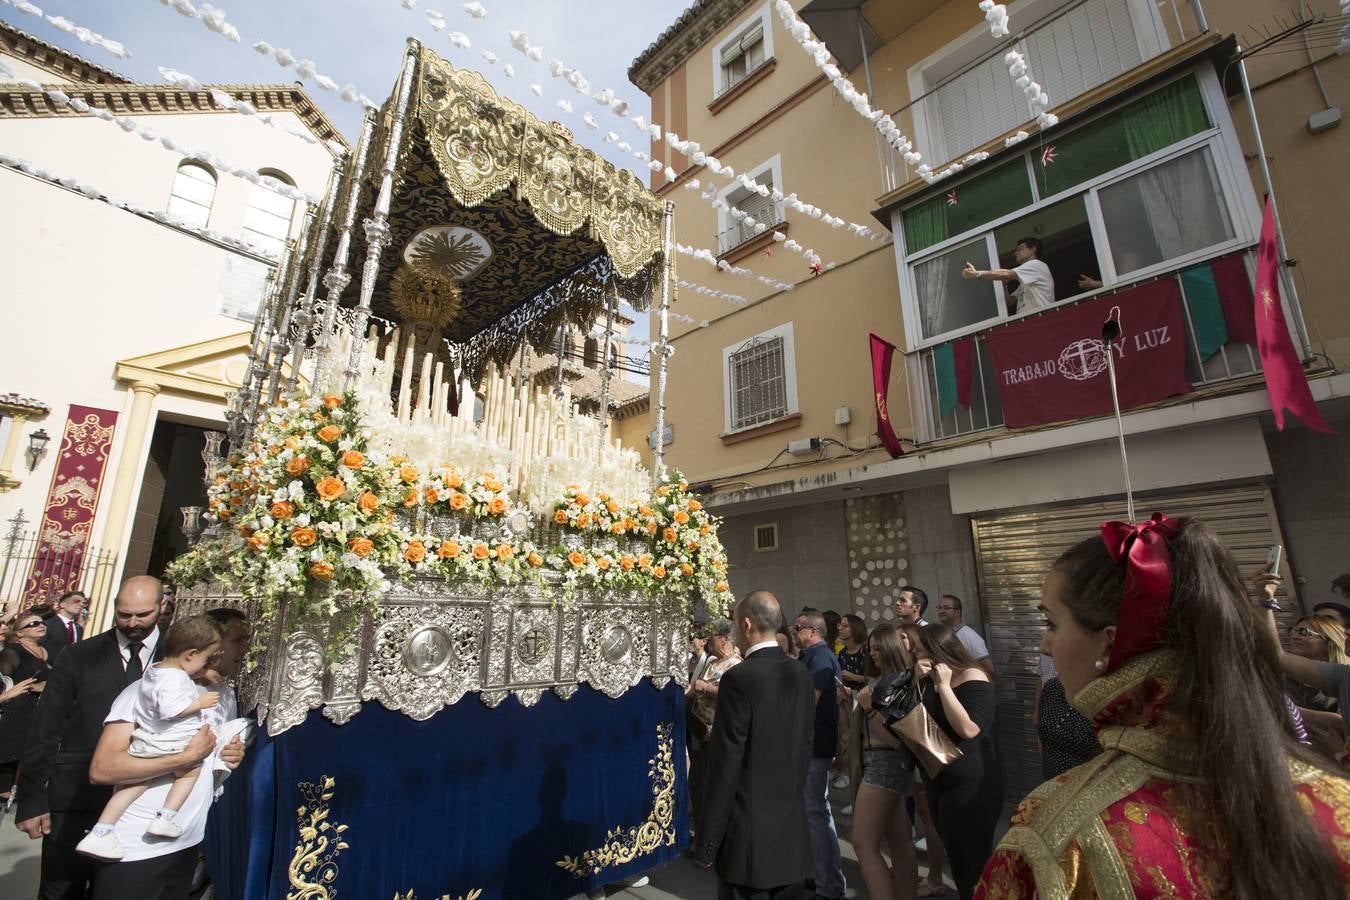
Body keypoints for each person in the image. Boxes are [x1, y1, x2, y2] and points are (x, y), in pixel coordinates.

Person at [977, 516, 1349, 898]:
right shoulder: (1336, 803)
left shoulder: (1056, 835)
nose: (1044, 646)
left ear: (1109, 643)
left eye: (1051, 623)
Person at [16, 576, 169, 899]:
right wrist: (32, 799)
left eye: (143, 615)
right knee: (61, 890)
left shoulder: (179, 656)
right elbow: (46, 728)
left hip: (148, 802)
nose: (133, 623)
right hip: (76, 799)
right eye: (124, 615)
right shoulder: (79, 656)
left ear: (162, 607)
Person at [696, 590, 815, 900]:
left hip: (747, 838)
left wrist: (708, 843)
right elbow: (804, 746)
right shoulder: (800, 672)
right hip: (791, 834)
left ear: (746, 625)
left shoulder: (739, 678)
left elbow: (725, 765)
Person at [76, 616, 223, 860]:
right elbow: (170, 709)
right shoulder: (175, 678)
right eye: (206, 659)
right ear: (191, 654)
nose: (206, 665)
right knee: (189, 772)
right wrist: (199, 702)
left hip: (149, 739)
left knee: (134, 784)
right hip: (169, 742)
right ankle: (166, 816)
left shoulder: (156, 671)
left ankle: (102, 830)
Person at [911, 626, 1000, 900]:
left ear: (937, 649)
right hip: (938, 777)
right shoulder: (928, 678)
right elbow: (919, 721)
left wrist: (943, 687)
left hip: (970, 783)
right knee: (957, 857)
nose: (914, 653)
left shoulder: (973, 676)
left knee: (970, 865)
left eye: (919, 649)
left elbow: (969, 729)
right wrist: (918, 682)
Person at [851, 624, 919, 900]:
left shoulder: (900, 682)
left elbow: (896, 737)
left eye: (878, 648)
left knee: (863, 844)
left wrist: (868, 709)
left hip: (884, 763)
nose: (873, 653)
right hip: (881, 762)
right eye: (871, 648)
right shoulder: (890, 679)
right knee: (900, 841)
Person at [794, 611, 848, 899]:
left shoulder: (819, 658)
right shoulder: (813, 657)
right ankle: (819, 874)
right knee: (812, 810)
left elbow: (807, 701)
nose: (794, 631)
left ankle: (830, 883)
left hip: (816, 744)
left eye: (798, 628)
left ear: (812, 632)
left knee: (816, 811)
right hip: (814, 743)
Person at [896, 623, 946, 898]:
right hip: (910, 752)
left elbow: (919, 708)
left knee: (928, 815)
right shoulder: (907, 669)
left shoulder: (927, 670)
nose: (900, 641)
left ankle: (936, 877)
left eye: (903, 637)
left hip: (927, 752)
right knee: (914, 811)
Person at [688, 618, 742, 821]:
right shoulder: (712, 661)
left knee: (711, 782)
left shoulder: (735, 664)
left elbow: (733, 694)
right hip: (700, 729)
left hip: (717, 731)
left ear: (725, 639)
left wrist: (706, 688)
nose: (709, 641)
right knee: (698, 780)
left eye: (713, 637)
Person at [0, 612, 51, 804]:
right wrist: (11, 693)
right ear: (19, 633)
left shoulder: (46, 651)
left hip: (35, 712)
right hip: (13, 712)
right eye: (33, 624)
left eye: (42, 622)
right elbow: (4, 682)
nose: (40, 625)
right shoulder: (12, 652)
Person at [962, 237, 1054, 314]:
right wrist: (1005, 285)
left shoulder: (1036, 265)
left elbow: (1006, 274)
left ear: (1033, 249)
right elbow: (1009, 301)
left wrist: (977, 274)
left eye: (1020, 249)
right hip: (1030, 321)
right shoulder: (1026, 282)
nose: (1015, 252)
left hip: (1040, 319)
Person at [934, 595, 993, 676]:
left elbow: (988, 668)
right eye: (939, 608)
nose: (941, 611)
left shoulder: (969, 636)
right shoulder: (946, 634)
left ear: (957, 612)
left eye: (946, 608)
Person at [42, 591, 87, 660]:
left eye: (83, 603)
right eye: (77, 601)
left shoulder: (79, 629)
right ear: (63, 605)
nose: (81, 605)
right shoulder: (47, 624)